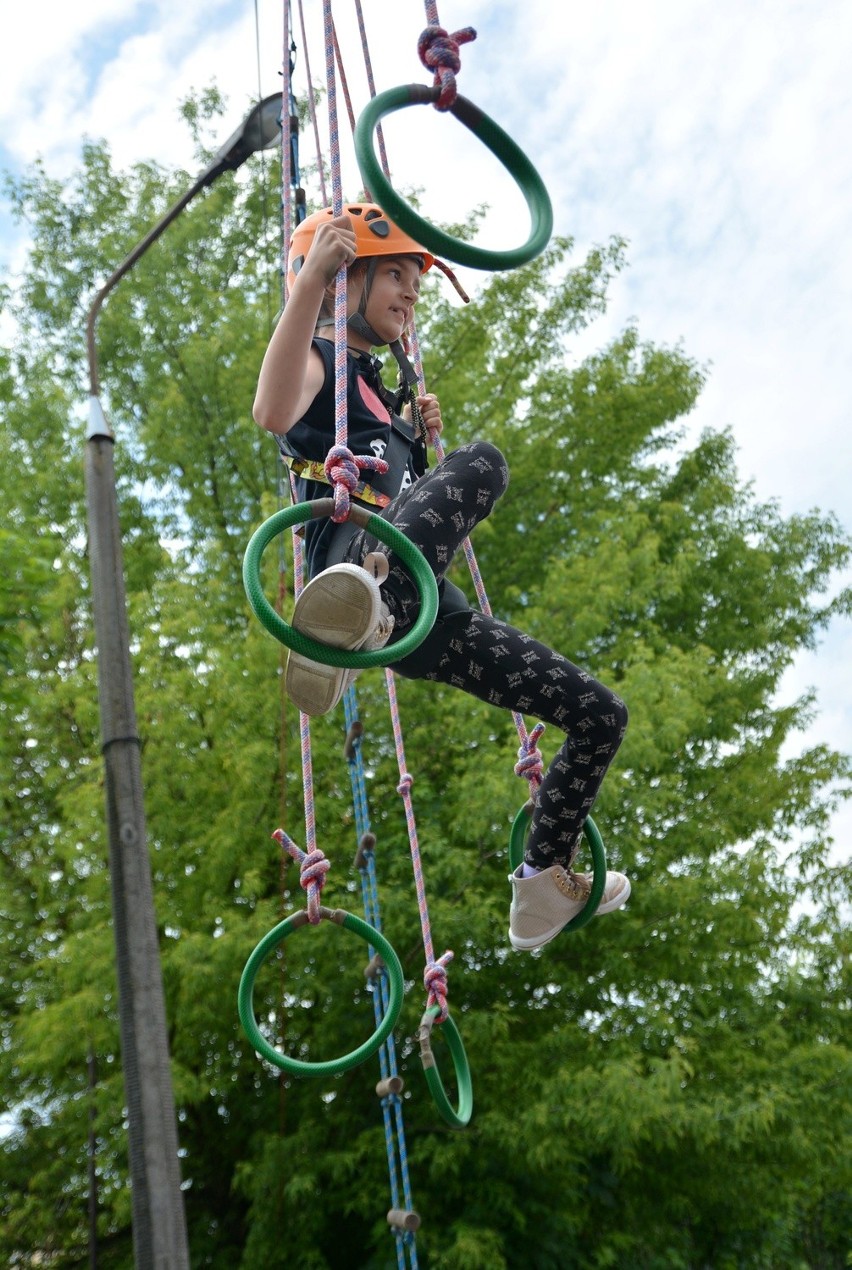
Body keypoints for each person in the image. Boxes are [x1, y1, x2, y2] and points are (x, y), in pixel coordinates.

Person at [253, 202, 631, 951]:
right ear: (345, 279)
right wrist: (309, 288)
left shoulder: (384, 400)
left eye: (415, 284)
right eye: (393, 275)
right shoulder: (324, 371)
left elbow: (424, 505)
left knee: (599, 714)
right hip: (350, 565)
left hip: (423, 616)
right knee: (485, 461)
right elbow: (269, 407)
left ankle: (542, 882)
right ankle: (350, 611)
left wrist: (417, 444)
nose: (409, 294)